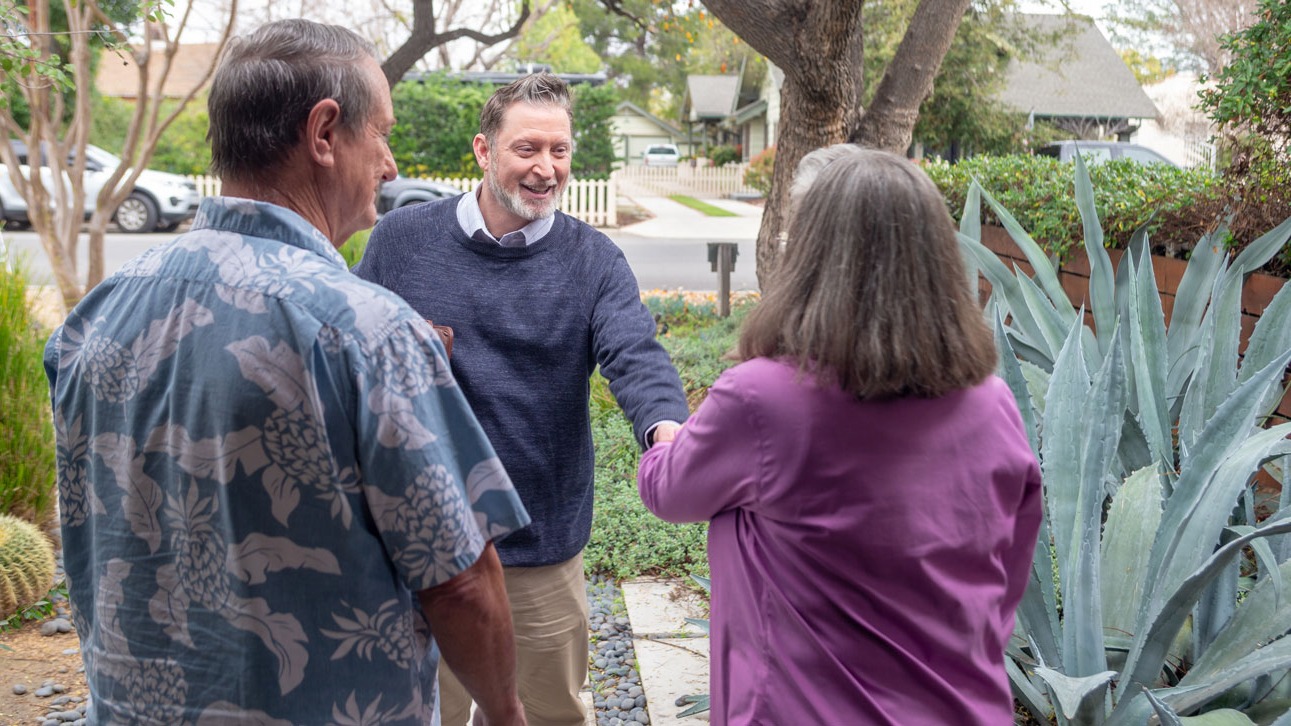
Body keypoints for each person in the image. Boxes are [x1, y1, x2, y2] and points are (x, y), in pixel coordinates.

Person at [44, 19, 530, 725]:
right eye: (381, 134)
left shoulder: (94, 318)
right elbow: (458, 582)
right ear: (324, 134)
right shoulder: (368, 330)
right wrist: (506, 711)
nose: (390, 165)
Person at [636, 145, 1043, 725]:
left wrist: (668, 436)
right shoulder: (992, 403)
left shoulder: (763, 401)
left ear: (811, 255)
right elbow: (1008, 567)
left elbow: (670, 491)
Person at [353, 72, 689, 726]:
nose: (546, 168)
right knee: (422, 713)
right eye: (527, 149)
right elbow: (350, 355)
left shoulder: (594, 261)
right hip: (422, 539)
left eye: (559, 151)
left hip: (539, 542)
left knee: (549, 714)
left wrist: (665, 427)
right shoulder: (401, 244)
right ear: (483, 151)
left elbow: (632, 352)